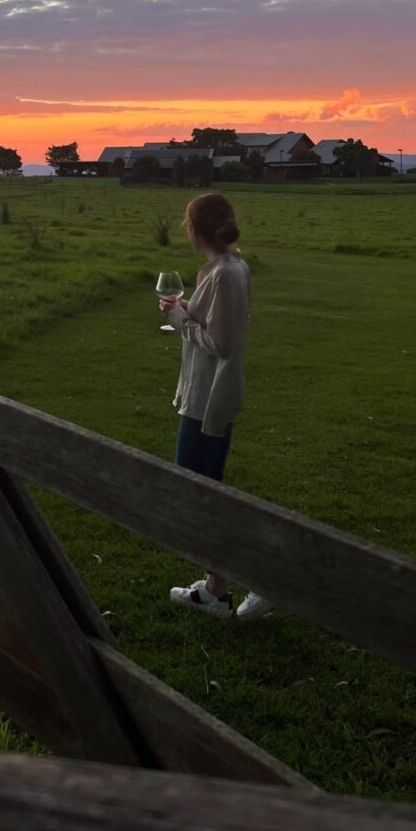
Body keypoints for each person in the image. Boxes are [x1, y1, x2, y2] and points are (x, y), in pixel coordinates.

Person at [159, 192, 273, 622]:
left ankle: (261, 576)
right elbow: (218, 324)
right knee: (207, 490)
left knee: (197, 495)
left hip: (208, 398)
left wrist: (178, 320)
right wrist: (187, 309)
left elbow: (220, 343)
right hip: (207, 394)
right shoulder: (230, 267)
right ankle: (216, 590)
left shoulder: (225, 273)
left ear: (195, 229)